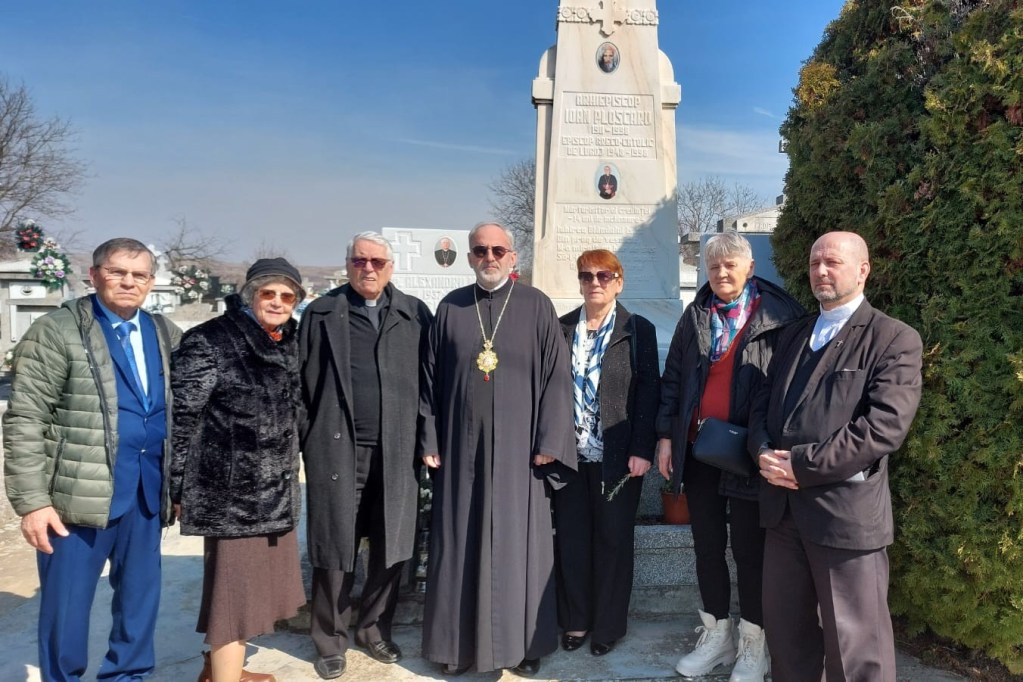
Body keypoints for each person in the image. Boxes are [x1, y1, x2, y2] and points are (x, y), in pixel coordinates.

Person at [3, 238, 181, 681]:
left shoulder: (164, 333)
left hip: (145, 491)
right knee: (67, 605)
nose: (129, 282)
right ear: (95, 274)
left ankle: (128, 676)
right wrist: (33, 503)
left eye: (139, 275)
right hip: (75, 497)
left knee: (139, 599)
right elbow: (26, 419)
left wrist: (179, 485)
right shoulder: (57, 331)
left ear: (151, 282)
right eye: (118, 271)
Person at [749, 232, 922, 681]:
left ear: (863, 271)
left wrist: (800, 466)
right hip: (783, 516)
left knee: (856, 651)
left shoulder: (893, 338)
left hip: (844, 517)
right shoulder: (793, 334)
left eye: (832, 263)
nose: (821, 271)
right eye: (814, 263)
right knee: (787, 641)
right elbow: (762, 405)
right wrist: (762, 451)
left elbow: (883, 427)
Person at [419, 221, 575, 678]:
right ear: (470, 256)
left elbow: (557, 378)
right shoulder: (450, 307)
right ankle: (456, 647)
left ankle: (523, 646)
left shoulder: (536, 305)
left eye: (498, 250)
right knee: (459, 544)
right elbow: (428, 381)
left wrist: (550, 440)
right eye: (480, 250)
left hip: (520, 455)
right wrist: (429, 438)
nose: (490, 257)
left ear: (512, 257)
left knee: (518, 547)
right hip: (459, 452)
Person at [656, 232, 805, 681]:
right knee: (706, 546)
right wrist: (666, 436)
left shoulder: (780, 316)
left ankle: (754, 643)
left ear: (749, 268)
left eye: (730, 265)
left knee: (748, 550)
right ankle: (717, 634)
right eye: (713, 266)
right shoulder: (695, 315)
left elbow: (788, 388)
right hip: (699, 449)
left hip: (747, 453)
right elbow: (674, 377)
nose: (721, 273)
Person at [299, 232, 433, 679]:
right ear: (348, 264)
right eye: (360, 261)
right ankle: (329, 639)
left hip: (397, 452)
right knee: (334, 547)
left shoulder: (414, 314)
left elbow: (430, 384)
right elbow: (302, 384)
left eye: (377, 261)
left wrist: (427, 440)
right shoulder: (321, 313)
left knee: (391, 546)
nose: (368, 268)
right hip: (337, 451)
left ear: (390, 267)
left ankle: (373, 629)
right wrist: (307, 440)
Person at [170, 258, 308, 682]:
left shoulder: (287, 341)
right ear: (250, 295)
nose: (278, 302)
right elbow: (181, 419)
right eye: (269, 293)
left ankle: (221, 669)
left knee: (251, 593)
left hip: (275, 491)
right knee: (232, 598)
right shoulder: (210, 339)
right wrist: (176, 488)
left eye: (287, 296)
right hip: (230, 495)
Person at [553, 250, 659, 657]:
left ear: (619, 281)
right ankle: (576, 620)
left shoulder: (637, 329)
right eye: (586, 276)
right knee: (572, 540)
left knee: (613, 540)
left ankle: (608, 626)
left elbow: (649, 390)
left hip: (618, 458)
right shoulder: (561, 328)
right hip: (569, 457)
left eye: (603, 275)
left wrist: (642, 449)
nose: (594, 282)